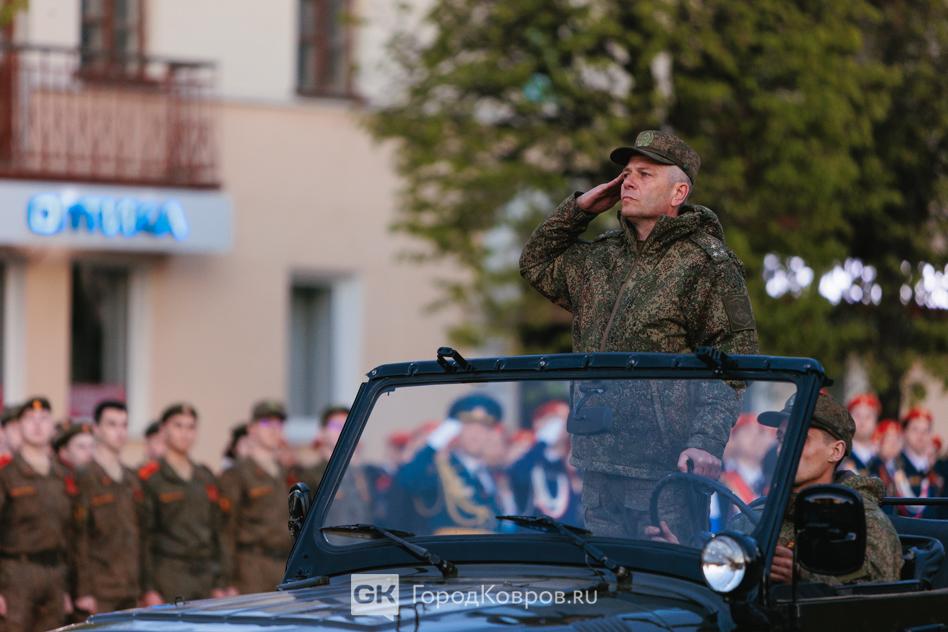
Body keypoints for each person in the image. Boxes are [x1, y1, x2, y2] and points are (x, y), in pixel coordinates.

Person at [520, 130, 759, 538]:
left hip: (666, 471)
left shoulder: (706, 264)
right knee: (604, 575)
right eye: (626, 173)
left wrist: (706, 440)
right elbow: (535, 262)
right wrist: (579, 209)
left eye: (644, 174)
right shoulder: (601, 258)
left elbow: (734, 359)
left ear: (678, 192)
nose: (627, 181)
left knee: (664, 571)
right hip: (597, 464)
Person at [759, 392, 902, 585]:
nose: (782, 449)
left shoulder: (865, 523)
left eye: (800, 439)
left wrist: (802, 578)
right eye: (781, 438)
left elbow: (879, 594)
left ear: (835, 451)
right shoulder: (761, 514)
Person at [139, 403, 231, 605]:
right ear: (164, 430)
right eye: (178, 426)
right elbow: (144, 536)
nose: (185, 433)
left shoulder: (204, 476)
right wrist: (148, 588)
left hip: (204, 576)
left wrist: (220, 582)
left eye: (191, 427)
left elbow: (217, 531)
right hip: (168, 575)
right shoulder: (151, 477)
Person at [0, 397, 77, 632]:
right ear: (19, 426)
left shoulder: (63, 475)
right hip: (16, 573)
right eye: (30, 419)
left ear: (52, 427)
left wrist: (68, 588)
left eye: (44, 419)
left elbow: (71, 534)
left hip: (55, 573)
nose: (37, 424)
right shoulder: (7, 474)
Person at [394, 394, 506, 534]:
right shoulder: (440, 468)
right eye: (469, 426)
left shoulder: (487, 474)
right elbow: (406, 480)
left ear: (490, 433)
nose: (476, 433)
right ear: (456, 430)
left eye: (483, 427)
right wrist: (432, 446)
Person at [73, 400, 143, 615]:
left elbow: (142, 534)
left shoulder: (132, 479)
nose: (120, 432)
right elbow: (78, 537)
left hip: (129, 587)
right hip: (98, 589)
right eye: (112, 424)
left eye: (124, 425)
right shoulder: (84, 476)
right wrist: (83, 591)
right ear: (96, 429)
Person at [218, 401, 292, 594]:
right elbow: (226, 530)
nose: (274, 430)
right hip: (251, 569)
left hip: (285, 566)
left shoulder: (288, 474)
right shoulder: (237, 474)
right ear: (252, 429)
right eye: (266, 423)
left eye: (279, 424)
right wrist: (226, 581)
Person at [509, 401, 582, 525]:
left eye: (565, 419)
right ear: (538, 423)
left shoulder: (570, 464)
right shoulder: (529, 458)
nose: (560, 425)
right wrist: (543, 441)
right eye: (554, 419)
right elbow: (518, 475)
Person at [893, 407, 944, 519]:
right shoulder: (894, 464)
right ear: (904, 432)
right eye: (915, 429)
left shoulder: (939, 467)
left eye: (926, 431)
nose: (921, 435)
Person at [866, 419, 905, 498]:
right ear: (878, 442)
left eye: (897, 440)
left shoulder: (899, 464)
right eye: (889, 440)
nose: (893, 445)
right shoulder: (874, 465)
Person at [844, 392, 881, 474]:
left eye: (868, 417)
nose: (862, 421)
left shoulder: (881, 458)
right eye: (857, 415)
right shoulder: (842, 453)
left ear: (876, 421)